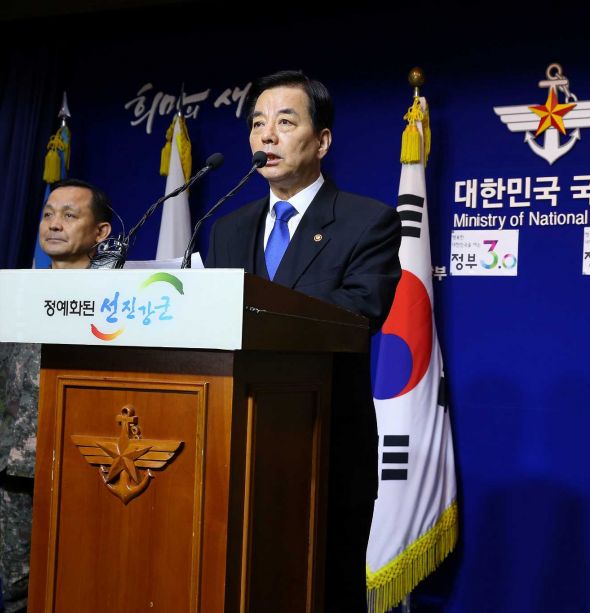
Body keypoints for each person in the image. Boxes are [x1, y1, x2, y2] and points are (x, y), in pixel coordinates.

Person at [205, 70, 401, 610]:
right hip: (232, 448)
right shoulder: (228, 229)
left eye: (285, 122)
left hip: (324, 447)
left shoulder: (368, 221)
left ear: (322, 140)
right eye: (257, 124)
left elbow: (359, 315)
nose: (266, 136)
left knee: (322, 592)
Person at [0, 179, 112, 612]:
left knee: (82, 581)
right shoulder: (26, 291)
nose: (54, 224)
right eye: (49, 214)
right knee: (18, 587)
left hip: (85, 467)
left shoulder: (117, 298)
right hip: (19, 466)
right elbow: (3, 376)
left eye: (70, 215)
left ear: (101, 232)